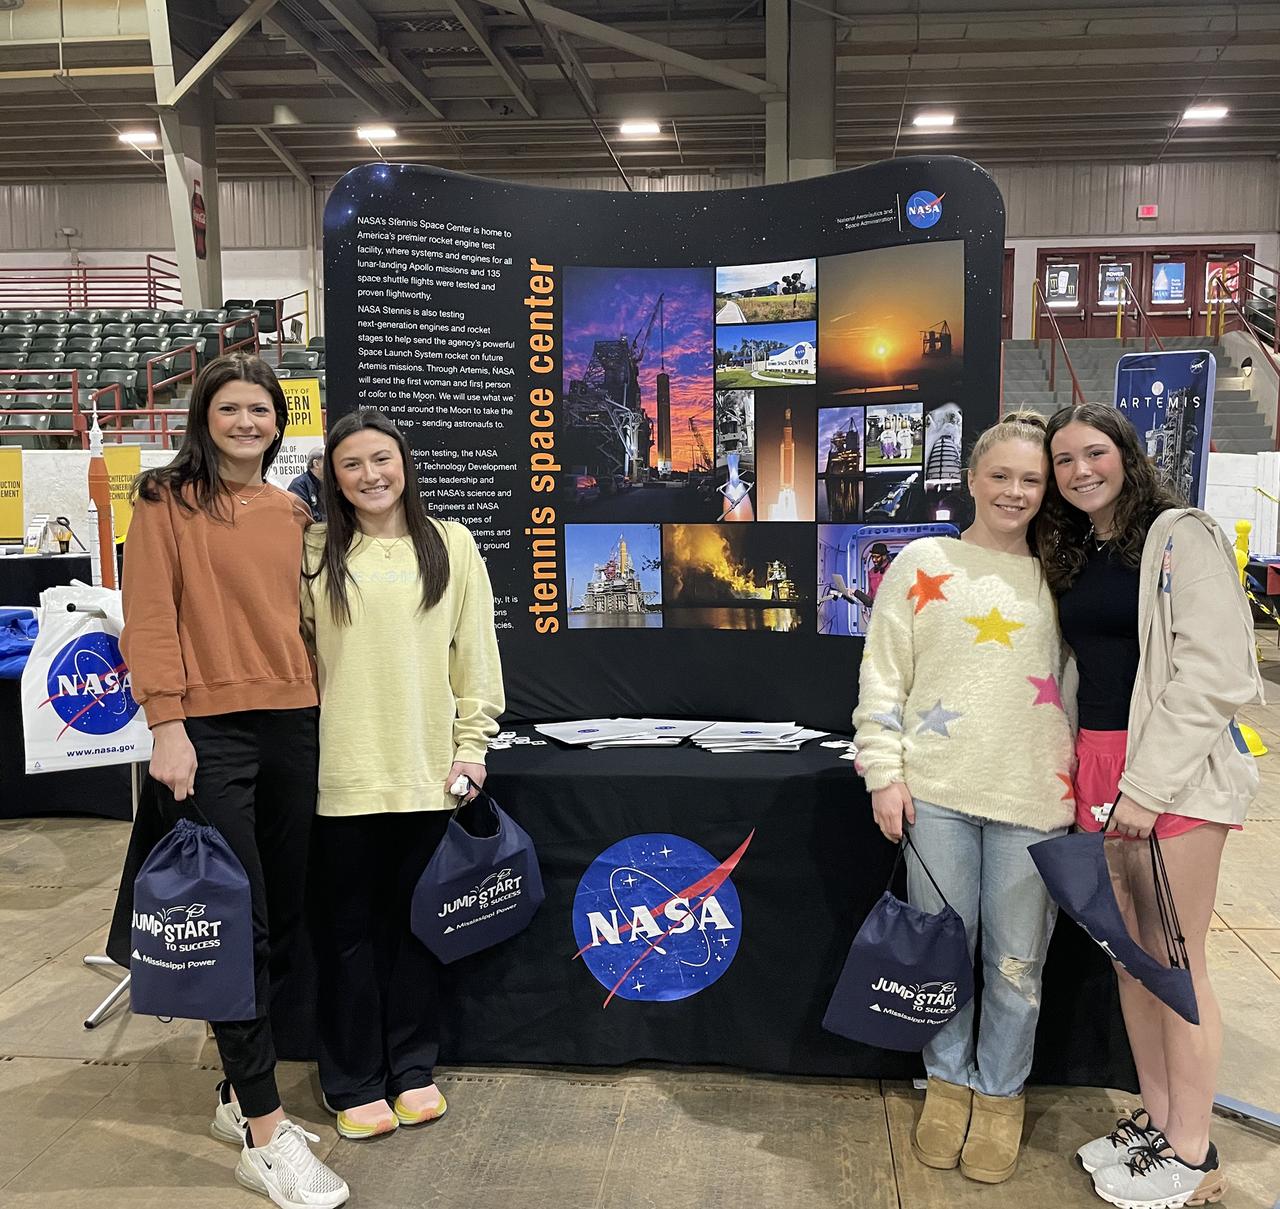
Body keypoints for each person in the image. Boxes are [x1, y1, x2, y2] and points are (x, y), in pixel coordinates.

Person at [108, 353, 348, 1208]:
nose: (248, 422)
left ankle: (232, 1097)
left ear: (280, 421)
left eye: (262, 409)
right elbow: (150, 617)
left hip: (293, 723)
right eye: (231, 408)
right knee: (235, 924)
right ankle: (266, 1132)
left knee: (280, 918)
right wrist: (166, 724)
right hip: (207, 733)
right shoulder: (163, 499)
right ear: (203, 416)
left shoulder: (293, 509)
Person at [1038, 402, 1259, 1208]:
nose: (1079, 470)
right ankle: (1161, 1121)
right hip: (1100, 763)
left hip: (1171, 773)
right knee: (1132, 961)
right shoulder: (1078, 548)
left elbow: (1218, 673)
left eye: (1093, 452)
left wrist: (1147, 786)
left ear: (1126, 454)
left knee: (1176, 958)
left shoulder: (1180, 536)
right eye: (1063, 460)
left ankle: (1193, 1151)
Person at [853, 412, 1074, 1184]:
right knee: (942, 956)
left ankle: (1001, 1095)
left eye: (1031, 478)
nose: (1015, 490)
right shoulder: (921, 560)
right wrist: (885, 771)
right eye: (1002, 475)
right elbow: (882, 678)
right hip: (936, 795)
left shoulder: (1064, 575)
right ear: (973, 477)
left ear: (1046, 488)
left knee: (1016, 966)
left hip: (1035, 801)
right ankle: (946, 1086)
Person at [302, 407, 503, 1141]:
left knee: (417, 930)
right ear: (332, 474)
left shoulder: (450, 544)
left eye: (381, 458)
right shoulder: (316, 549)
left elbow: (474, 656)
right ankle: (353, 1077)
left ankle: (412, 1066)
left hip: (427, 771)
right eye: (351, 463)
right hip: (342, 775)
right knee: (348, 934)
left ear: (405, 462)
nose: (370, 475)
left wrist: (472, 745)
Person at [288, 446, 327, 521]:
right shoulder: (298, 485)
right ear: (316, 464)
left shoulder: (331, 483)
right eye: (328, 462)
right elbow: (303, 517)